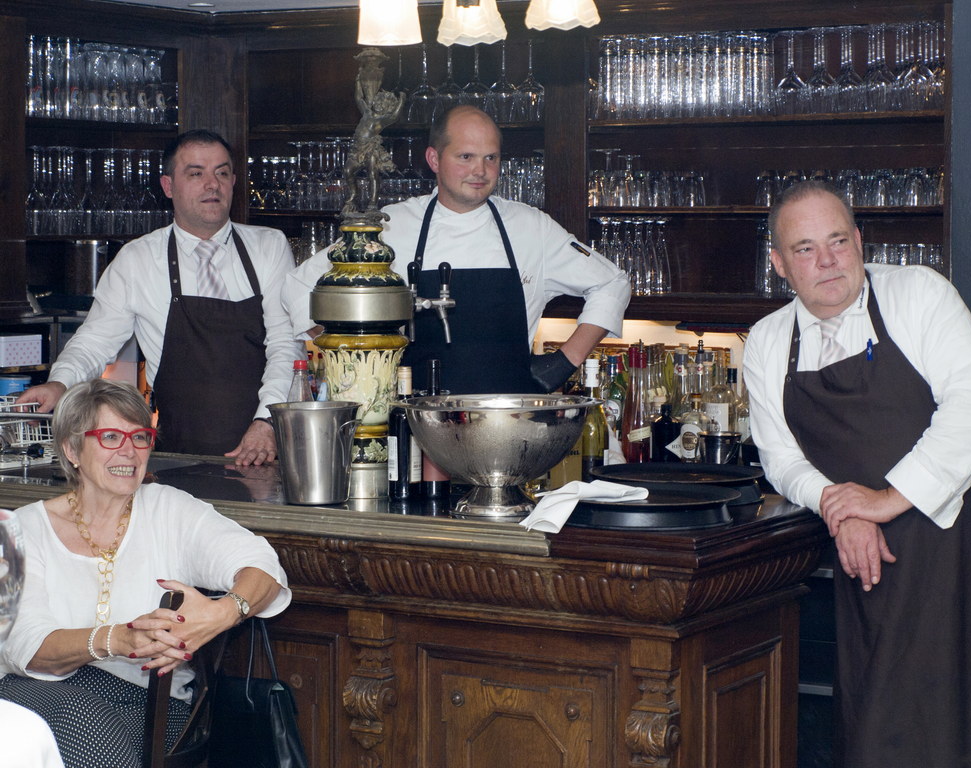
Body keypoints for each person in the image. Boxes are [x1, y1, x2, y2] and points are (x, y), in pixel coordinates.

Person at [742, 180, 971, 768]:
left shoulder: (918, 293)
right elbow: (781, 457)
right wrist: (841, 508)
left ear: (859, 241)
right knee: (883, 722)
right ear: (778, 263)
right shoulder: (768, 343)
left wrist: (887, 499)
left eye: (838, 241)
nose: (827, 261)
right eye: (805, 249)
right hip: (874, 553)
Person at [0, 379, 291, 768]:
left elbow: (263, 565)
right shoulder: (22, 529)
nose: (129, 451)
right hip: (39, 692)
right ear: (71, 449)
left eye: (140, 437)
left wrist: (224, 612)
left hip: (150, 704)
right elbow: (28, 647)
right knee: (79, 720)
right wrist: (118, 639)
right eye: (110, 436)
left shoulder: (168, 510)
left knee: (95, 736)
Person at [282, 105, 630, 394]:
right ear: (434, 159)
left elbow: (612, 282)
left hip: (507, 424)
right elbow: (298, 285)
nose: (480, 171)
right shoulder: (390, 226)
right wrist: (354, 359)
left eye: (491, 158)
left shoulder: (531, 227)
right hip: (413, 421)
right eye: (466, 156)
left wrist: (564, 362)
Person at [18, 129, 302, 465]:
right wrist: (59, 383)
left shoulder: (269, 246)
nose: (212, 185)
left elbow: (286, 345)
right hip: (178, 460)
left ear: (234, 182)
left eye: (222, 173)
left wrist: (267, 421)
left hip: (265, 455)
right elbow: (93, 342)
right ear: (168, 186)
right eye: (196, 174)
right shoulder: (137, 259)